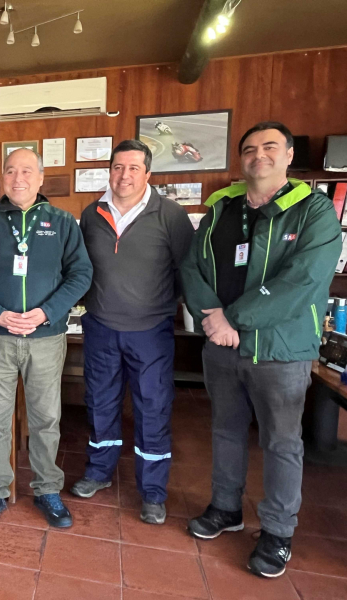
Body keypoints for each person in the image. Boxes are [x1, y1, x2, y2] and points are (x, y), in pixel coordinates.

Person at [181, 122, 341, 577]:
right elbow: (191, 267)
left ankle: (277, 531)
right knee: (226, 431)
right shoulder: (222, 210)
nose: (259, 155)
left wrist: (233, 319)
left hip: (281, 350)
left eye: (270, 146)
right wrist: (211, 316)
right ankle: (226, 507)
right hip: (222, 346)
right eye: (250, 148)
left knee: (281, 442)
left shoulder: (313, 210)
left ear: (289, 155)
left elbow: (303, 279)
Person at [0, 148, 93, 530]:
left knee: (46, 418)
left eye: (27, 171)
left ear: (41, 177)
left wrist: (47, 312)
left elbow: (81, 274)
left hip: (46, 338)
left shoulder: (62, 222)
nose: (18, 178)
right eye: (11, 171)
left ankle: (47, 488)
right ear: (3, 177)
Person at [71, 140, 194, 525]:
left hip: (150, 332)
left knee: (153, 408)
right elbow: (82, 268)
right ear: (109, 171)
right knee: (100, 403)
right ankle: (99, 471)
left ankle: (153, 492)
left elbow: (186, 271)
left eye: (133, 168)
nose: (124, 175)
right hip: (101, 328)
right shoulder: (92, 213)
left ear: (148, 173)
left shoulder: (171, 215)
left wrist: (158, 305)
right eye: (118, 167)